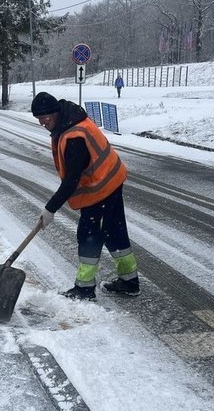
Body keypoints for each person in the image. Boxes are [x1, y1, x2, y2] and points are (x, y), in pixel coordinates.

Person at [31, 91, 139, 299]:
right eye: (38, 119)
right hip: (112, 180)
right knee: (115, 232)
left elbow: (71, 180)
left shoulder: (74, 137)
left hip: (101, 189)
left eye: (44, 118)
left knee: (89, 236)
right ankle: (129, 281)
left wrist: (50, 209)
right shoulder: (69, 120)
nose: (42, 123)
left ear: (55, 112)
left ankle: (84, 288)